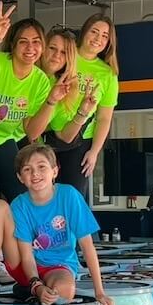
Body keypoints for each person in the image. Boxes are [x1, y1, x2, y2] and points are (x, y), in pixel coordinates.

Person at [0, 143, 113, 305]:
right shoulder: (20, 205)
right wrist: (36, 285)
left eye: (41, 167)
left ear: (55, 171)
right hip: (24, 265)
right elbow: (26, 255)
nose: (35, 173)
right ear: (20, 177)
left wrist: (99, 291)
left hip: (59, 265)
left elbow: (87, 246)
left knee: (64, 292)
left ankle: (28, 291)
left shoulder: (69, 195)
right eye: (27, 169)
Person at [0, 17, 67, 200]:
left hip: (0, 140)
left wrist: (51, 101)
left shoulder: (40, 81)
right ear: (13, 45)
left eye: (36, 42)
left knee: (22, 196)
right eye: (23, 42)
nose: (30, 48)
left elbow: (31, 132)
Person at [46, 14, 119, 195]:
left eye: (104, 36)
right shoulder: (65, 55)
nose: (98, 39)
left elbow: (104, 118)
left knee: (72, 196)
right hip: (47, 135)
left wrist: (94, 152)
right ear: (84, 32)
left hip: (80, 142)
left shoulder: (108, 74)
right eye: (94, 32)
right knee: (43, 193)